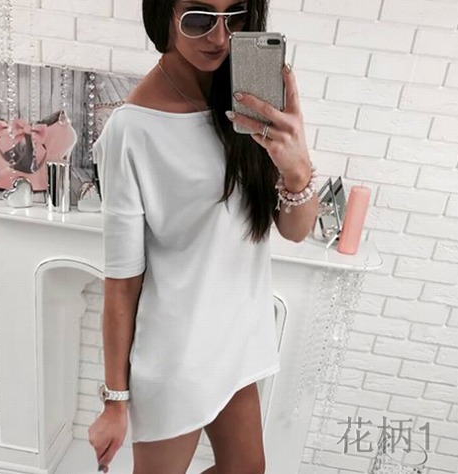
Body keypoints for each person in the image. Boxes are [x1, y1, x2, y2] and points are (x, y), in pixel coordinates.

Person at [88, 0, 319, 473]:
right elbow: (122, 282)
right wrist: (115, 400)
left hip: (238, 337)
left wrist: (297, 169)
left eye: (235, 16)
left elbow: (294, 231)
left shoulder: (250, 101)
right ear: (164, 14)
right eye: (199, 18)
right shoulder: (131, 129)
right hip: (177, 354)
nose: (219, 37)